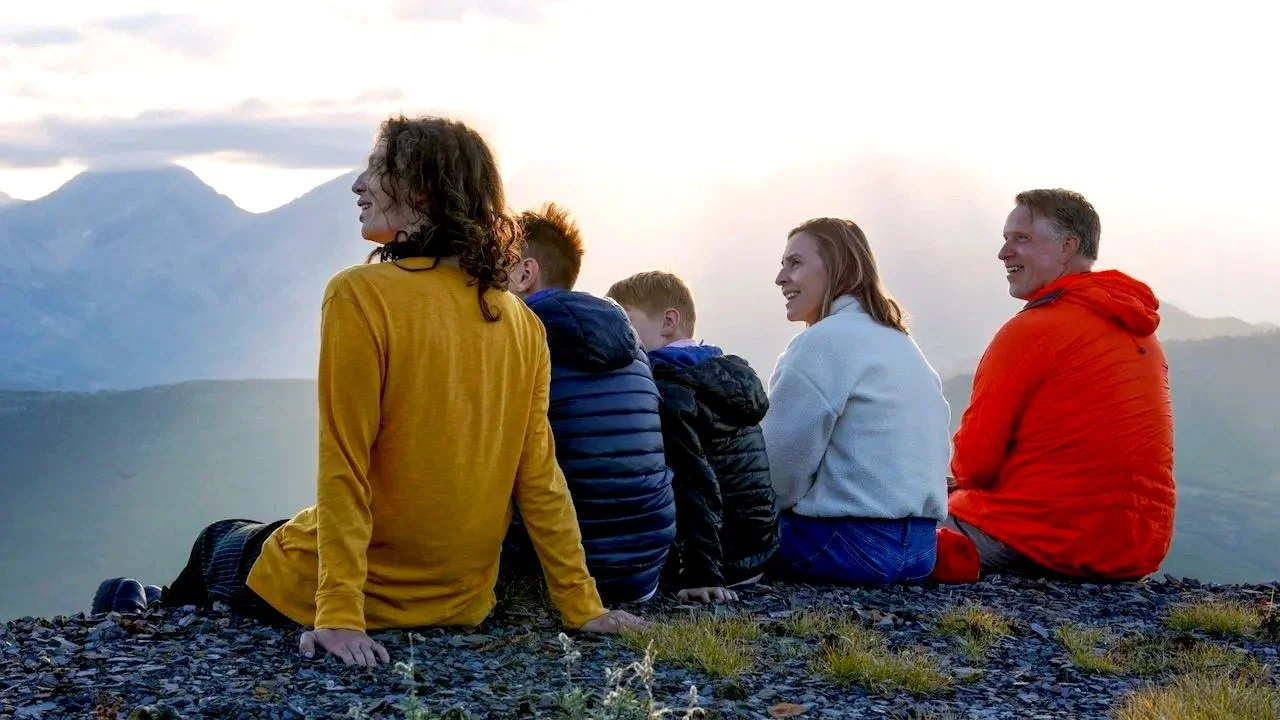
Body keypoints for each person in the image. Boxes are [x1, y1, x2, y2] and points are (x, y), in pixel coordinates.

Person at [89, 115, 644, 666]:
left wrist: (338, 615)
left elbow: (345, 463)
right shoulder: (522, 324)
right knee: (276, 532)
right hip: (460, 601)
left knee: (219, 541)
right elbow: (540, 478)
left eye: (377, 170)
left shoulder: (360, 294)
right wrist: (581, 605)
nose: (358, 185)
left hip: (358, 594)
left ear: (422, 190)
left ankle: (139, 611)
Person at [931, 189, 1176, 583]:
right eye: (1006, 238)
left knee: (879, 525)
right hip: (1131, 549)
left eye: (1021, 239)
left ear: (1067, 246)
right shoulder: (1141, 335)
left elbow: (974, 465)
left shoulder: (1033, 331)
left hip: (1039, 538)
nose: (1003, 253)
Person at [502, 202, 676, 605]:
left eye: (496, 268)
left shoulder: (520, 336)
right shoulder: (631, 343)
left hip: (562, 572)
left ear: (524, 273)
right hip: (643, 569)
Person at [761, 218, 951, 586]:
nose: (780, 277)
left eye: (794, 263)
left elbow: (780, 470)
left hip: (848, 544)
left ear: (834, 267)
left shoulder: (823, 342)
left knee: (695, 526)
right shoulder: (901, 343)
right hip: (920, 551)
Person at [606, 271, 780, 603]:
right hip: (758, 550)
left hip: (718, 562)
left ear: (668, 321)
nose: (619, 334)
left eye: (626, 320)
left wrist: (702, 574)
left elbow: (693, 481)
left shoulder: (671, 389)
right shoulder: (725, 376)